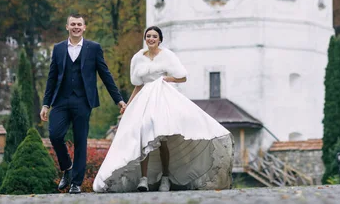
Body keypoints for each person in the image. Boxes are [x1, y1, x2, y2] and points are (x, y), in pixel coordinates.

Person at [93, 26, 233, 193]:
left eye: (154, 36)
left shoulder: (167, 55)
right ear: (145, 39)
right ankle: (143, 178)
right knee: (143, 135)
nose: (151, 39)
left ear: (159, 39)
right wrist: (128, 106)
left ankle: (165, 178)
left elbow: (182, 77)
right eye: (148, 36)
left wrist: (165, 79)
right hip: (144, 99)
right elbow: (138, 85)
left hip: (162, 97)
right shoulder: (138, 58)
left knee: (162, 138)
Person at [40, 14, 127, 194]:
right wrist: (46, 104)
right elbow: (51, 78)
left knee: (80, 141)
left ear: (84, 27)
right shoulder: (58, 49)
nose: (76, 27)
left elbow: (105, 74)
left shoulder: (93, 48)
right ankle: (67, 167)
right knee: (55, 135)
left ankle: (76, 183)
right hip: (61, 100)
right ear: (67, 27)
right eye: (73, 24)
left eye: (79, 24)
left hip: (83, 101)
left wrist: (118, 99)